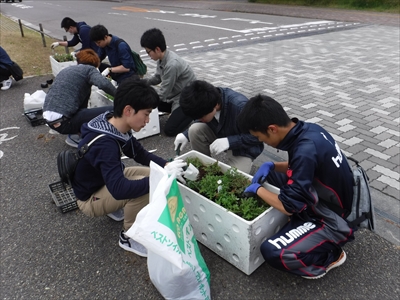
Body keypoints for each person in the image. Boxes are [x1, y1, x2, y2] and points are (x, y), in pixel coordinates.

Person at [237, 94, 355, 279]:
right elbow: (303, 167)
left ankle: (329, 255)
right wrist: (273, 166)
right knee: (272, 174)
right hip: (329, 194)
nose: (262, 142)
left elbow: (288, 207)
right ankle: (303, 221)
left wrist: (258, 190)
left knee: (273, 252)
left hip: (334, 217)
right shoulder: (308, 130)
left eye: (260, 137)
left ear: (272, 129)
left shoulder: (304, 150)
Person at [71, 79, 186, 257]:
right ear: (128, 110)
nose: (148, 120)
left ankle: (113, 208)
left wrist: (166, 166)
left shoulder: (112, 121)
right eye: (146, 114)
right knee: (150, 187)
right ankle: (130, 236)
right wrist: (160, 180)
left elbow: (139, 154)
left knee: (157, 174)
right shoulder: (106, 144)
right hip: (89, 198)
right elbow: (119, 190)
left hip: (100, 180)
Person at [174, 80, 264, 174]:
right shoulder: (206, 100)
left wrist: (229, 141)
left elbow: (259, 137)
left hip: (243, 148)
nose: (199, 119)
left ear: (215, 105)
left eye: (201, 117)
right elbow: (200, 116)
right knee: (194, 129)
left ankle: (242, 163)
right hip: (221, 133)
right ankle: (205, 167)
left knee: (234, 178)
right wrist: (185, 134)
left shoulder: (240, 107)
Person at [43, 49, 116, 148]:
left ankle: (76, 133)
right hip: (64, 121)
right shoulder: (89, 70)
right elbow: (103, 84)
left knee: (84, 106)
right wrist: (119, 96)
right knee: (113, 110)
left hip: (51, 120)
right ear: (96, 64)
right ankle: (77, 138)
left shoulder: (66, 70)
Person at [140, 28, 196, 136]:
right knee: (153, 101)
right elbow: (157, 78)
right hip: (175, 95)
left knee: (170, 130)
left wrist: (143, 102)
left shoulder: (172, 64)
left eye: (148, 52)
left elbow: (163, 92)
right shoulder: (162, 58)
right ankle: (176, 112)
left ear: (157, 49)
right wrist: (142, 82)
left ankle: (191, 113)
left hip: (187, 98)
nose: (148, 55)